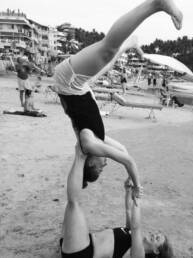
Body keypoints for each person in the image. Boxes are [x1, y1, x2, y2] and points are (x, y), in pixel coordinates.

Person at [52, 0, 183, 190]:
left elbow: (127, 161)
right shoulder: (97, 139)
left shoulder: (88, 144)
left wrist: (137, 184)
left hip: (69, 82)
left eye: (100, 169)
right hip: (77, 87)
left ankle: (156, 4)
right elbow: (123, 151)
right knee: (108, 62)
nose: (105, 165)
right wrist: (130, 178)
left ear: (90, 163)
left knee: (107, 50)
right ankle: (131, 42)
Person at [60, 144, 174, 258]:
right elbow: (128, 211)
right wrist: (128, 191)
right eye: (157, 234)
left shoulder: (139, 254)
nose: (154, 234)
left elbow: (136, 226)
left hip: (84, 252)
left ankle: (81, 149)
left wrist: (137, 195)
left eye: (157, 238)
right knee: (71, 206)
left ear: (156, 251)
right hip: (83, 242)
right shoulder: (133, 238)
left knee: (74, 203)